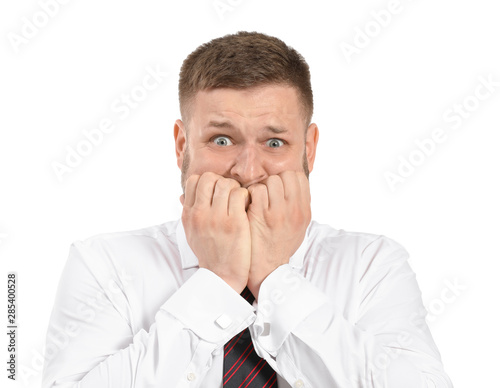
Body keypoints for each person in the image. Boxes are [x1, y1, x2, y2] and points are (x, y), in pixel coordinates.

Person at [42, 31, 453, 387]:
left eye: (274, 143)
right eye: (222, 140)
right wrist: (218, 283)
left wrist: (277, 281)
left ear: (308, 148)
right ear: (183, 145)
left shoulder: (371, 265)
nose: (248, 170)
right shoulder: (104, 264)